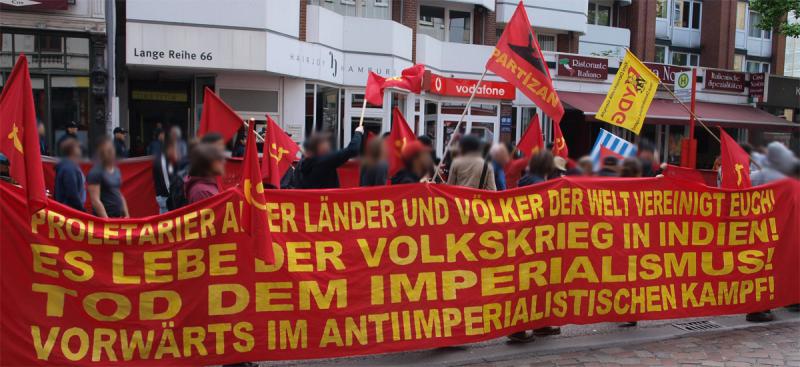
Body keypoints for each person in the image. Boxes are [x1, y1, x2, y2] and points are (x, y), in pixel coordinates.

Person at [298, 126, 364, 189]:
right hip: (327, 199)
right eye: (325, 142)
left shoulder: (305, 163)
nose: (328, 145)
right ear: (318, 146)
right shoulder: (323, 161)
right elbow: (352, 150)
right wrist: (358, 133)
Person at [87, 137, 129, 218]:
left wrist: (126, 214)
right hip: (105, 221)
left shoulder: (116, 170)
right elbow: (95, 200)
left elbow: (119, 193)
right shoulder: (95, 172)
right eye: (107, 151)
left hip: (118, 218)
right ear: (101, 152)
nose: (110, 153)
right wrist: (106, 221)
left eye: (111, 150)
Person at [54, 139, 86, 212]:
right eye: (78, 147)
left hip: (69, 210)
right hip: (71, 211)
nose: (80, 150)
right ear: (72, 150)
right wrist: (82, 209)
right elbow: (72, 192)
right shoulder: (69, 168)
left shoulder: (70, 166)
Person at [153, 136, 179, 213]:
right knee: (166, 221)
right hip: (166, 197)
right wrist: (173, 197)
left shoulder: (167, 159)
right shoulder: (163, 161)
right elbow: (166, 182)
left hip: (166, 196)